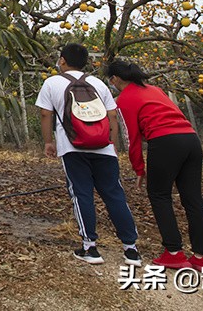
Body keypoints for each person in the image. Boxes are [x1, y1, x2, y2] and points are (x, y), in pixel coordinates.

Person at [36, 43, 141, 266]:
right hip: (103, 147)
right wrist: (110, 142)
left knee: (81, 193)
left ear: (62, 60)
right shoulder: (98, 83)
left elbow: (46, 114)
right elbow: (112, 115)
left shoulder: (52, 82)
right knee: (114, 193)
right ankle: (131, 249)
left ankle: (90, 247)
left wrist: (48, 142)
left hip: (73, 147)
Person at [106, 59, 203, 270]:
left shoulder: (124, 99)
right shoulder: (154, 89)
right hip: (191, 139)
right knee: (193, 199)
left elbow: (131, 138)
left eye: (110, 79)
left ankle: (173, 252)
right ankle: (202, 257)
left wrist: (138, 168)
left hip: (165, 142)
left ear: (116, 79)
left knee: (159, 195)